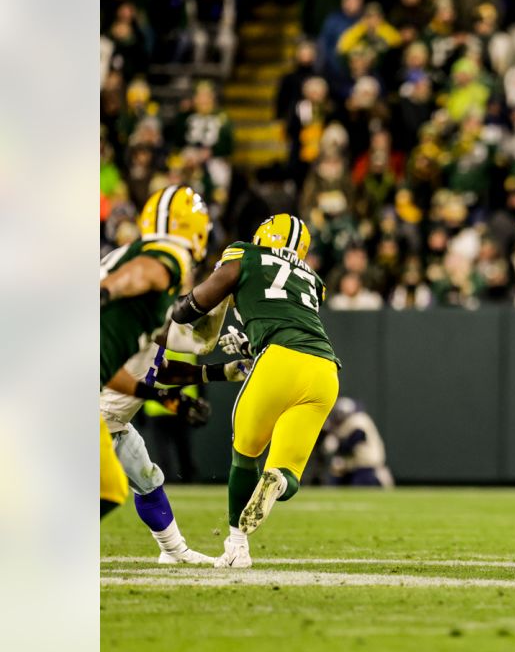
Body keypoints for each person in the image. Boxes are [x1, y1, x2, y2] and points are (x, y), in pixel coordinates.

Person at [169, 214, 341, 568]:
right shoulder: (313, 279)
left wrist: (183, 310)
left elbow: (219, 284)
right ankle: (278, 481)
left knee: (245, 453)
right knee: (288, 470)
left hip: (280, 361)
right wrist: (250, 342)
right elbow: (288, 315)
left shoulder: (245, 254)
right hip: (325, 371)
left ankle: (237, 546)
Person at [100, 299, 249, 563]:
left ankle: (173, 551)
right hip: (97, 420)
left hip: (116, 422)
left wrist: (218, 372)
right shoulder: (130, 318)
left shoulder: (144, 316)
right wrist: (223, 293)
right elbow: (202, 341)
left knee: (148, 482)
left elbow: (161, 368)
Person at [99, 185, 212, 517]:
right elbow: (144, 273)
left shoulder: (135, 259)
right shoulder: (171, 256)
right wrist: (107, 291)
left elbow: (107, 369)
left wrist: (161, 397)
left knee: (119, 487)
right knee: (108, 490)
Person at [322, 398, 393, 487]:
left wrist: (336, 444)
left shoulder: (358, 422)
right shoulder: (350, 424)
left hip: (367, 469)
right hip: (353, 468)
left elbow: (350, 445)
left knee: (357, 486)